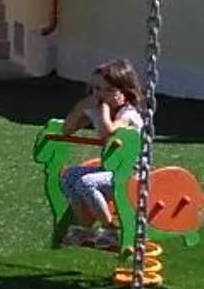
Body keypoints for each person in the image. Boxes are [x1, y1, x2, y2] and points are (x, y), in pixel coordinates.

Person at [56, 57, 144, 245]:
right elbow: (67, 129)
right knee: (68, 177)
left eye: (109, 90)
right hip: (110, 169)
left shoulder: (128, 114)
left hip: (130, 173)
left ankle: (111, 230)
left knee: (86, 183)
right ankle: (85, 227)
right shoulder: (96, 108)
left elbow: (108, 133)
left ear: (125, 93)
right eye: (96, 89)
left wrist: (103, 110)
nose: (101, 95)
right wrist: (81, 108)